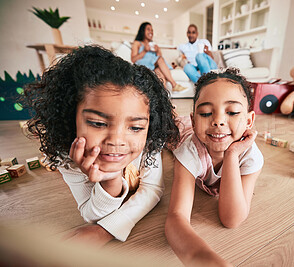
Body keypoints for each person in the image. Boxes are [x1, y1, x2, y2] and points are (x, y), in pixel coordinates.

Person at [23, 45, 180, 246]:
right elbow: (90, 213)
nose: (116, 140)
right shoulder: (68, 155)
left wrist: (106, 231)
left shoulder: (150, 139)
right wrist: (111, 181)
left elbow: (152, 190)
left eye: (135, 127)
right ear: (72, 118)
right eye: (98, 123)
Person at [165, 68, 264, 266]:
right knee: (169, 127)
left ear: (249, 120)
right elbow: (176, 216)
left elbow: (231, 219)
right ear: (194, 120)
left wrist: (231, 154)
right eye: (206, 113)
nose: (218, 121)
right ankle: (173, 113)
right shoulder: (189, 151)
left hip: (204, 135)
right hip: (181, 133)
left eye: (233, 112)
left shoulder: (251, 157)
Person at [131, 22, 187, 92]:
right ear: (142, 31)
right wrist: (144, 51)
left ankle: (164, 97)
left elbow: (160, 58)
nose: (151, 32)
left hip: (153, 65)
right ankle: (174, 84)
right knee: (160, 59)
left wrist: (157, 51)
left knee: (161, 76)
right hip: (143, 63)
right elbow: (133, 59)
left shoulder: (153, 44)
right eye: (148, 29)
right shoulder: (137, 43)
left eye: (152, 30)